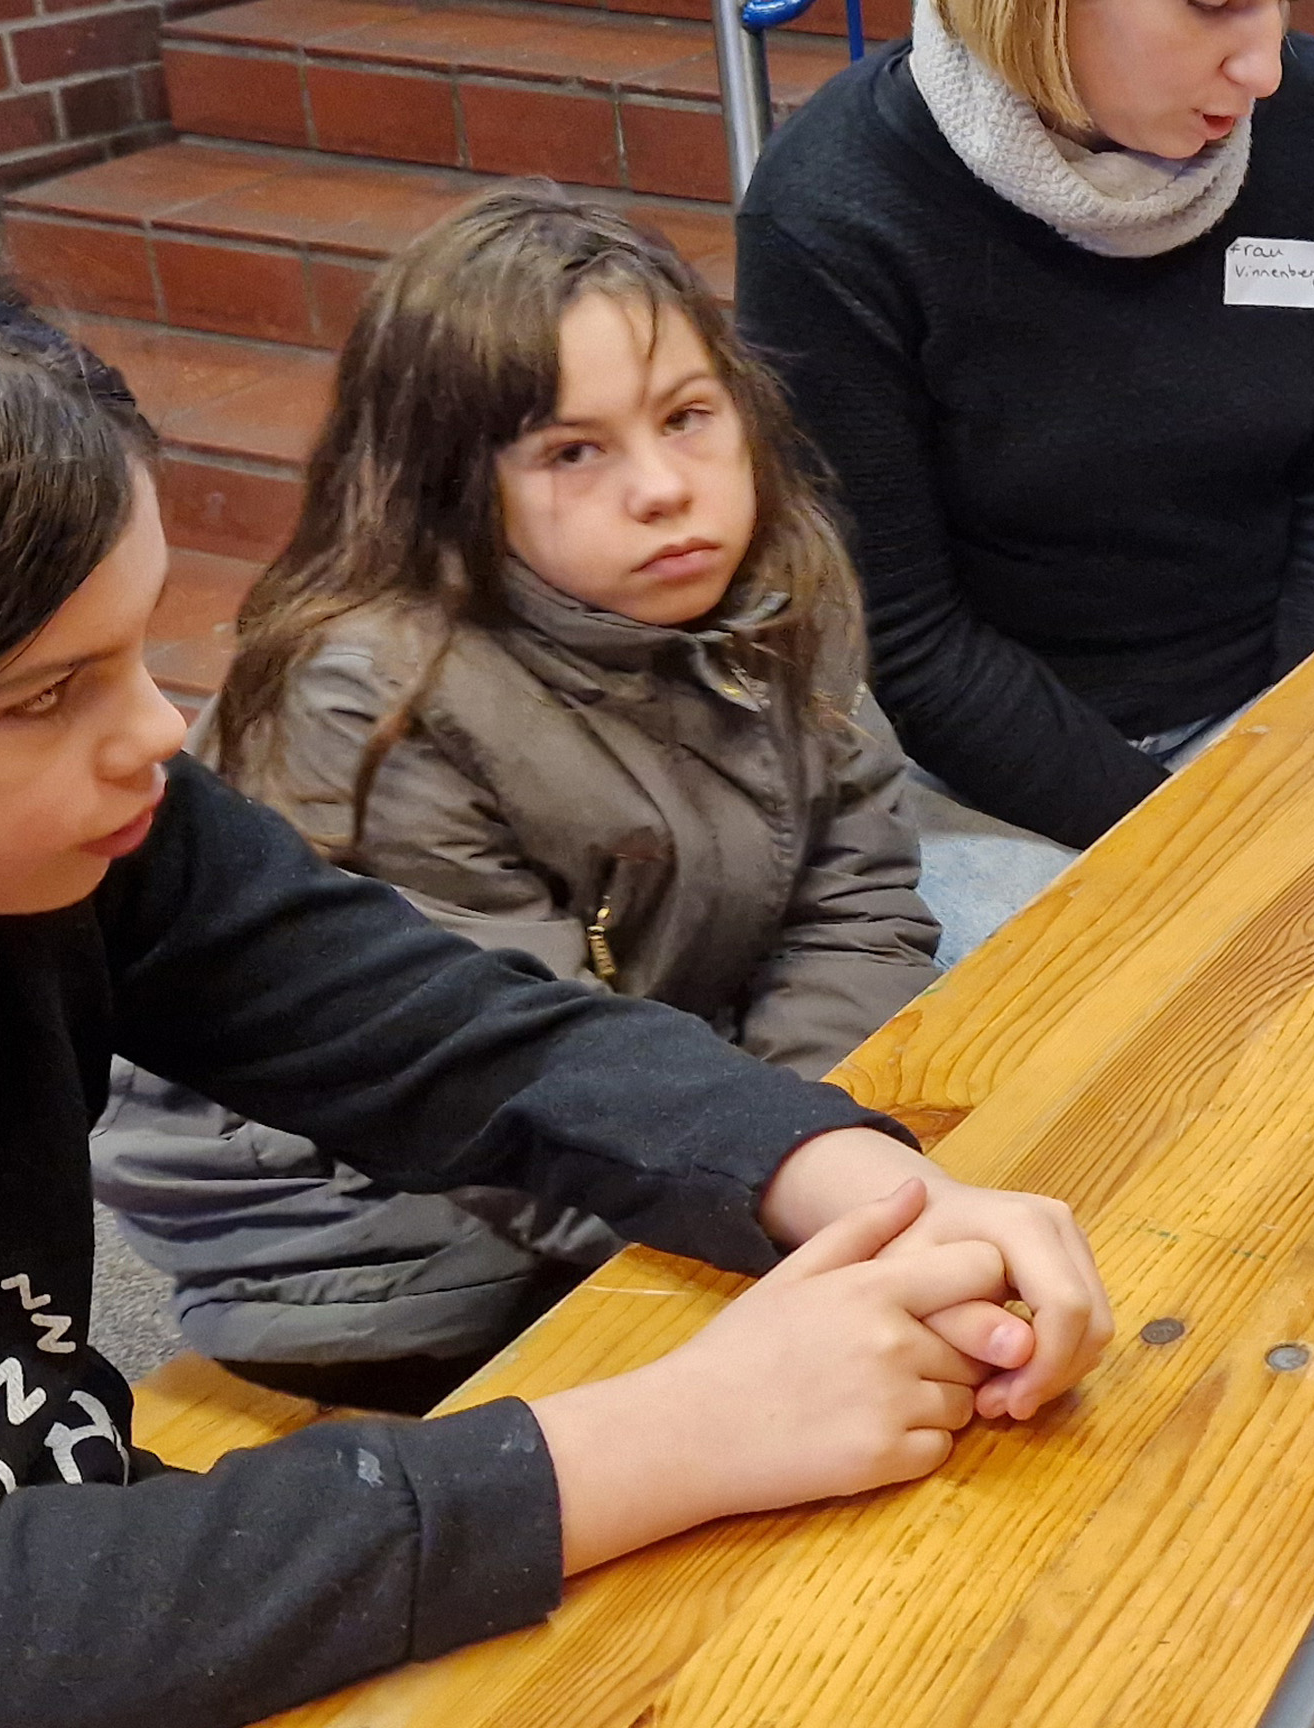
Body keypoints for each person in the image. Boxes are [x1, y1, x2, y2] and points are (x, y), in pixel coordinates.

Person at [0, 231, 1108, 1728]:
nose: (159, 732)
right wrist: (660, 1438)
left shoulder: (45, 835)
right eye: (48, 693)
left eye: (139, 647)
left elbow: (440, 1029)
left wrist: (839, 1179)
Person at [96, 186, 942, 1412]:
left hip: (637, 1101)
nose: (663, 487)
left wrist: (800, 1144)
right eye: (572, 451)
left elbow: (854, 901)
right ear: (448, 484)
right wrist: (777, 1204)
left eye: (689, 417)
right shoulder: (373, 700)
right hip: (379, 1223)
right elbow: (487, 1082)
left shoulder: (774, 595)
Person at [737, 0, 1314, 908]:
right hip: (987, 788)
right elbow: (908, 640)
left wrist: (1287, 766)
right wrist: (1187, 841)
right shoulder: (833, 210)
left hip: (1277, 712)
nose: (1266, 66)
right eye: (1215, 3)